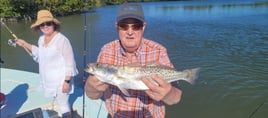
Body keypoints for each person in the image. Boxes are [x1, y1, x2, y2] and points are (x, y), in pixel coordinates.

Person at [85, 2, 182, 118]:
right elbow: (92, 96)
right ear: (117, 26)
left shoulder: (159, 51)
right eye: (124, 26)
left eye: (135, 26)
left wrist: (168, 93)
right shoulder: (106, 51)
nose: (130, 32)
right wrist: (91, 87)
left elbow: (175, 98)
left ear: (143, 27)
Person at [15, 10, 78, 118]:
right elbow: (40, 54)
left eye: (48, 23)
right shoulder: (41, 39)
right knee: (59, 102)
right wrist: (24, 44)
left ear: (53, 24)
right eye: (42, 24)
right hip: (49, 80)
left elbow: (70, 63)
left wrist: (66, 82)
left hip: (61, 80)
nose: (45, 26)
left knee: (63, 105)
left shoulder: (62, 40)